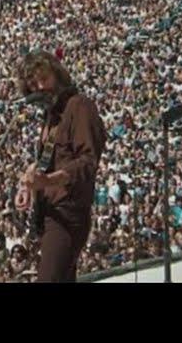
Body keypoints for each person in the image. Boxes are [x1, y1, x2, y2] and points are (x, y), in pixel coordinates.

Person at [16, 50, 107, 282]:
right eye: (33, 84)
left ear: (57, 75)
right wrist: (29, 183)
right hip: (50, 210)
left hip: (69, 211)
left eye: (44, 79)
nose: (40, 87)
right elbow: (51, 160)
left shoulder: (80, 106)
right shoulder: (51, 116)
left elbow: (87, 162)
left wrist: (48, 181)